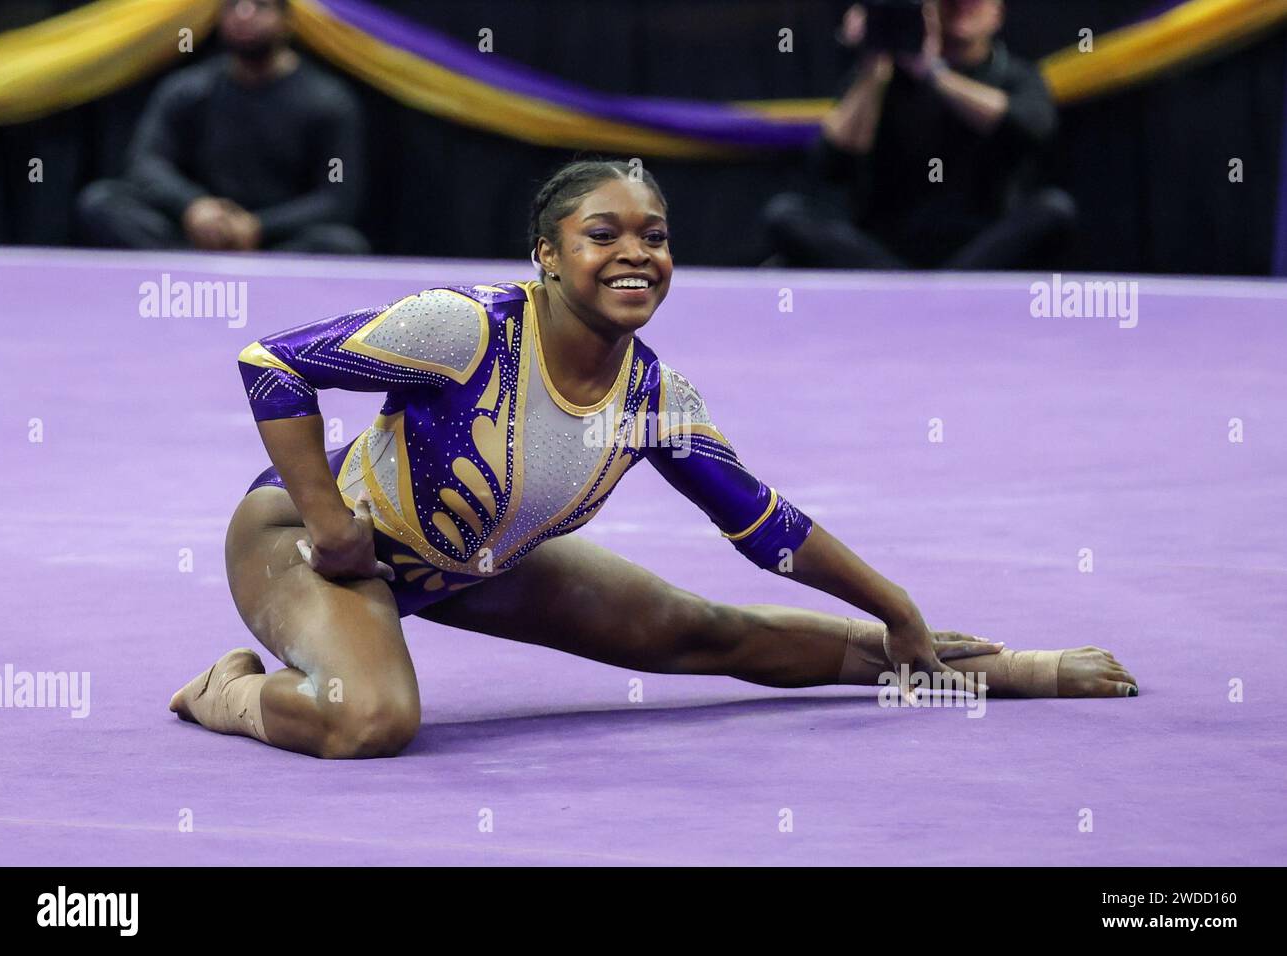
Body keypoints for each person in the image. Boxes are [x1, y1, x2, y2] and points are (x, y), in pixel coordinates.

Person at [170, 159, 1136, 759]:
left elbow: (770, 531)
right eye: (604, 234)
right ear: (546, 254)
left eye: (656, 236)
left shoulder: (652, 404)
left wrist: (901, 610)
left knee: (704, 631)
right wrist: (330, 522)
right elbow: (273, 365)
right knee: (370, 720)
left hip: (469, 560)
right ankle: (232, 693)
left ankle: (974, 669)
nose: (637, 253)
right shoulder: (462, 331)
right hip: (301, 543)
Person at [764, 0, 1076, 270]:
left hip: (980, 246)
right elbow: (830, 163)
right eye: (950, 3)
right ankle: (912, 288)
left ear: (998, 14)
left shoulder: (1013, 75)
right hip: (883, 248)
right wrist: (875, 64)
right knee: (785, 214)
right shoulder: (883, 77)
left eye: (974, 3)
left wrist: (933, 74)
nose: (962, 9)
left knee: (1054, 209)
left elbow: (1031, 128)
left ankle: (934, 291)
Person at [77, 0, 368, 254]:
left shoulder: (328, 101)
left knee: (341, 243)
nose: (244, 14)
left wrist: (258, 226)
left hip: (272, 243)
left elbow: (335, 199)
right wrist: (193, 206)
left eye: (261, 6)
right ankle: (191, 275)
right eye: (233, 5)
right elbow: (146, 163)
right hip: (193, 233)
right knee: (103, 201)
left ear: (287, 22)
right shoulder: (188, 90)